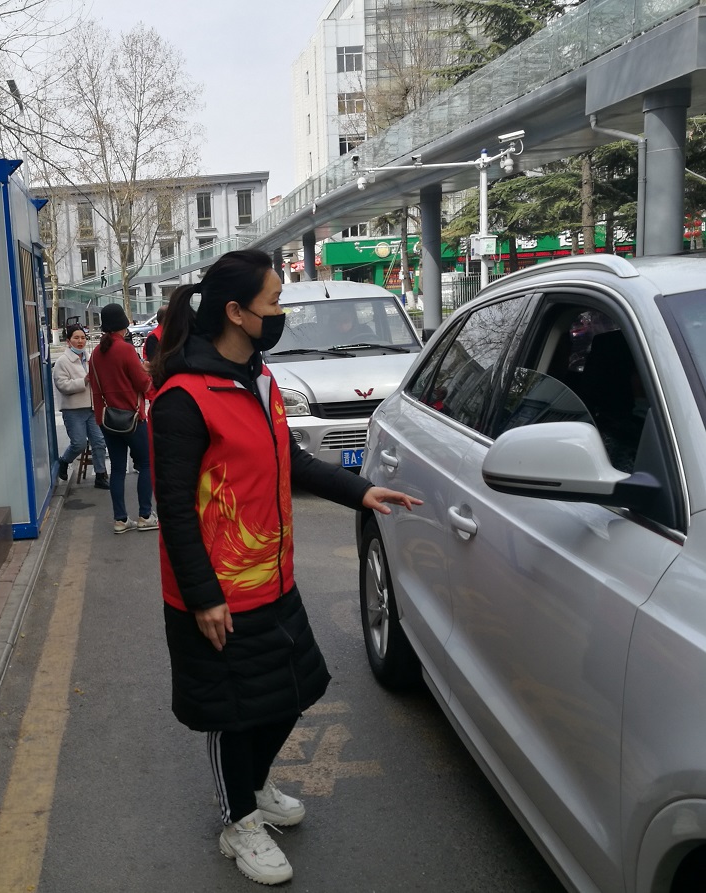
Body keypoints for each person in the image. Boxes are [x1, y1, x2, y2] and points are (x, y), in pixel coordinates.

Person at [150, 249, 421, 886]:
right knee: (234, 713)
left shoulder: (262, 380)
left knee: (293, 692)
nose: (281, 313)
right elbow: (175, 510)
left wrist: (360, 490)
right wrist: (203, 596)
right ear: (236, 312)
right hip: (216, 593)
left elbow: (289, 461)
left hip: (273, 579)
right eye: (273, 302)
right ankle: (238, 822)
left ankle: (255, 787)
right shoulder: (183, 398)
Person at [89, 303, 157, 534]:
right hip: (132, 418)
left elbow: (95, 385)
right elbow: (142, 383)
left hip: (107, 419)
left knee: (117, 469)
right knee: (146, 463)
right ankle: (145, 515)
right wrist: (147, 372)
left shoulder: (96, 354)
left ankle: (120, 520)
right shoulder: (126, 350)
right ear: (123, 325)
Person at [52, 323, 110, 489]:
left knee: (99, 442)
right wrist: (83, 381)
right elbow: (62, 385)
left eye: (83, 338)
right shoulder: (62, 362)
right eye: (76, 338)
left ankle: (100, 475)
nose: (80, 341)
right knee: (79, 443)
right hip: (73, 410)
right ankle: (64, 461)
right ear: (68, 341)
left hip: (92, 408)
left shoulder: (91, 358)